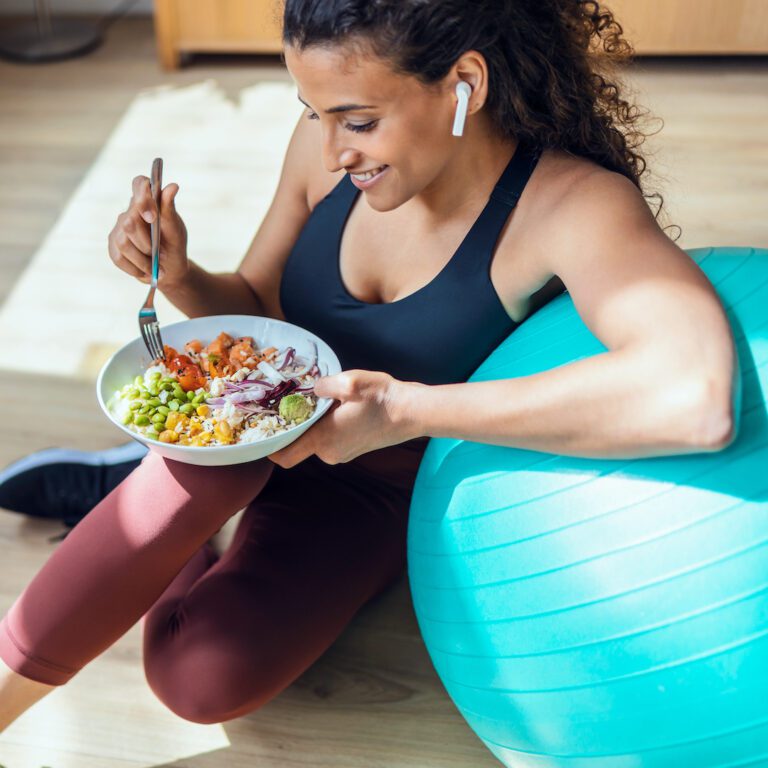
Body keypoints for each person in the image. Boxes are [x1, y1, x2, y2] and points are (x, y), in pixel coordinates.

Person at [0, 0, 737, 732]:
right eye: (313, 114)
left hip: (382, 493)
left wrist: (403, 413)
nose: (329, 152)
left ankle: (140, 485)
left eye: (356, 121)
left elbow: (694, 400)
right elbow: (261, 305)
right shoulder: (327, 154)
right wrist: (181, 273)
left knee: (200, 679)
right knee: (215, 465)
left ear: (465, 83)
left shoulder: (571, 207)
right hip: (261, 438)